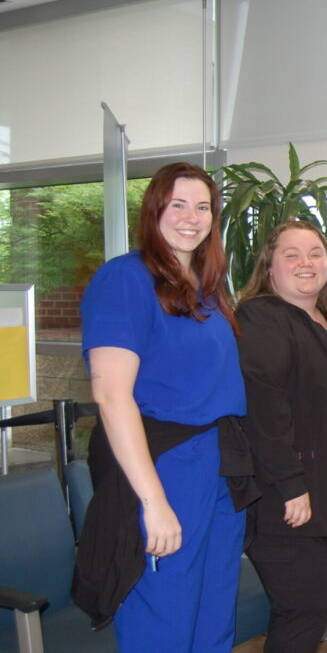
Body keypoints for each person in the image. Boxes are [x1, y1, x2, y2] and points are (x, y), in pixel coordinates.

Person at [75, 162, 248, 651]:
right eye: (178, 204)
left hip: (218, 462)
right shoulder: (125, 280)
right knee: (165, 619)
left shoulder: (208, 286)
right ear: (155, 211)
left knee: (214, 615)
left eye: (203, 207)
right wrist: (153, 502)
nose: (191, 217)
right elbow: (111, 395)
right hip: (165, 464)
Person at [235, 220, 327, 653]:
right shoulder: (260, 318)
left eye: (316, 253)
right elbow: (264, 411)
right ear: (269, 267)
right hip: (289, 506)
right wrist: (290, 485)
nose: (306, 263)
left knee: (303, 614)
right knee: (306, 610)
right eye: (292, 254)